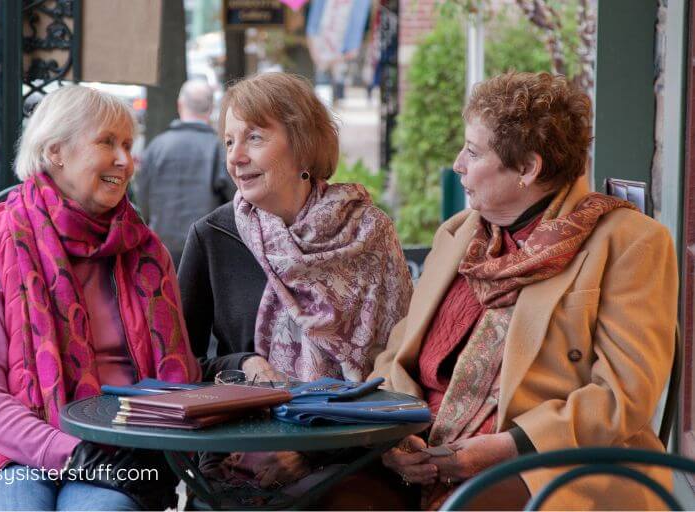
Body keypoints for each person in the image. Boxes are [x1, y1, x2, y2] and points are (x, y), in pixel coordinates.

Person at [372, 71, 678, 510]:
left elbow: (622, 397)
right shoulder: (460, 235)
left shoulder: (629, 242)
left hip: (554, 470)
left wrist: (509, 447)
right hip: (427, 452)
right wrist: (400, 437)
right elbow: (397, 354)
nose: (458, 163)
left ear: (528, 169)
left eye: (473, 152)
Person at [0, 85, 201, 511]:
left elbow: (179, 379)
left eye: (128, 145)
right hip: (2, 450)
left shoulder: (146, 253)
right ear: (55, 152)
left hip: (118, 452)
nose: (125, 161)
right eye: (107, 142)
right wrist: (71, 453)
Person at [177, 72, 413, 499]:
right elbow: (179, 367)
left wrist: (314, 452)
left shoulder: (369, 233)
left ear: (302, 142)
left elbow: (399, 358)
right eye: (229, 141)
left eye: (254, 138)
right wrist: (242, 364)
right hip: (240, 444)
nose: (236, 156)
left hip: (356, 446)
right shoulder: (213, 237)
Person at [135, 79, 235, 266]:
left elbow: (142, 200)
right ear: (211, 107)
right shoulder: (219, 148)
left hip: (161, 246)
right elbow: (233, 200)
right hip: (206, 247)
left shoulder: (157, 146)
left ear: (180, 104)